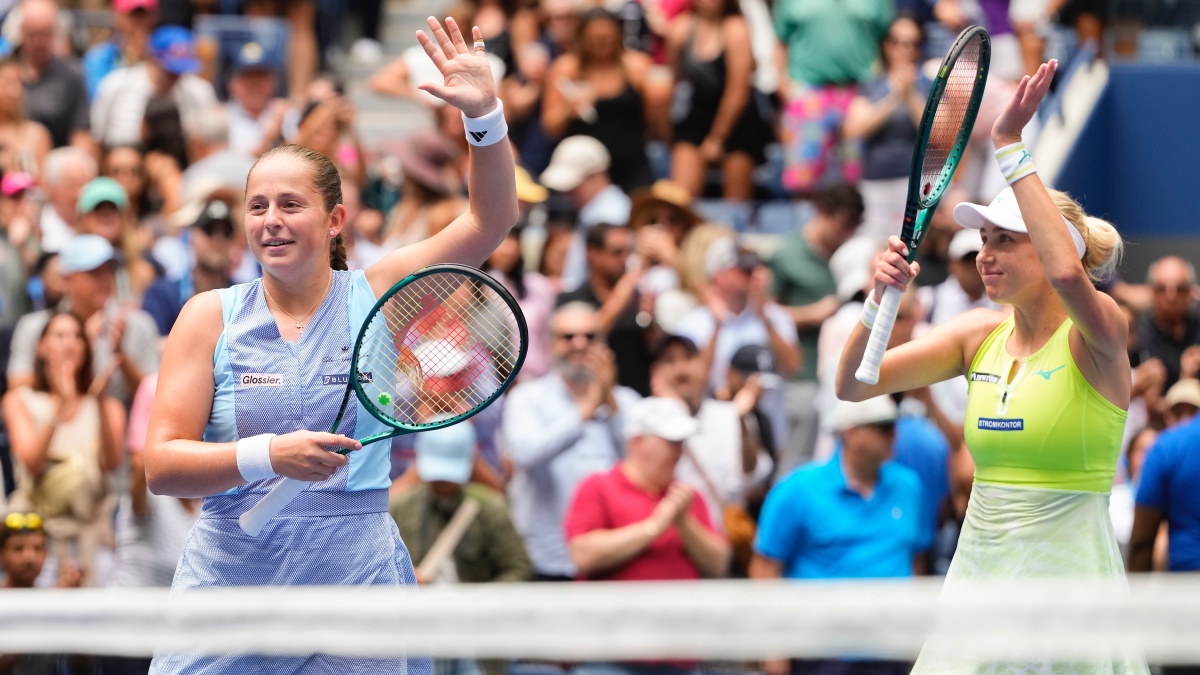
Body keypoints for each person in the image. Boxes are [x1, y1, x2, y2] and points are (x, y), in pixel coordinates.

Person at [143, 17, 516, 673]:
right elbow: (162, 464)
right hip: (231, 578)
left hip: (358, 580)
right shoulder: (207, 316)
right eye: (258, 206)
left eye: (291, 204)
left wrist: (484, 116)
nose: (271, 221)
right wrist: (268, 455)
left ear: (335, 218)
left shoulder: (379, 292)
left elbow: (489, 220)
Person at [835, 60, 1148, 673]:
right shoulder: (977, 335)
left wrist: (1008, 144)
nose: (987, 255)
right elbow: (853, 384)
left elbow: (1065, 275)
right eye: (985, 241)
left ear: (1060, 247)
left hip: (1072, 594)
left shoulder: (1103, 333)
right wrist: (879, 298)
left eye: (1007, 239)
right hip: (977, 588)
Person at [751, 396, 920, 675]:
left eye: (893, 426)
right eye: (882, 427)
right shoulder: (797, 489)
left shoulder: (909, 487)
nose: (893, 435)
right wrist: (773, 642)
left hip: (891, 648)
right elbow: (765, 567)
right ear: (852, 432)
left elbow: (915, 558)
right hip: (822, 650)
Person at [500, 302, 640, 580]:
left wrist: (608, 400)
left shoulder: (627, 401)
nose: (580, 344)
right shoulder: (527, 398)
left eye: (590, 337)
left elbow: (638, 464)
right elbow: (526, 454)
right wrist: (585, 412)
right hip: (545, 558)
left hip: (611, 557)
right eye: (568, 337)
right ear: (550, 344)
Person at [2, 311, 125, 587]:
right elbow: (31, 462)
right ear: (41, 346)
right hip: (36, 544)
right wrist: (61, 405)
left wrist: (100, 403)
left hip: (93, 539)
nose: (69, 343)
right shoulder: (19, 400)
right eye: (59, 335)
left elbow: (111, 463)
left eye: (77, 337)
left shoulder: (108, 406)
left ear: (86, 347)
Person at [565, 396, 730, 581]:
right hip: (615, 610)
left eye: (682, 443)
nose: (679, 452)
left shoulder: (687, 495)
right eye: (672, 442)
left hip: (681, 609)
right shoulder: (596, 486)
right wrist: (653, 527)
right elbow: (582, 556)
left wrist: (684, 524)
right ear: (637, 442)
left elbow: (719, 564)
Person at [841, 15, 930, 243]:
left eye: (911, 43)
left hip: (915, 184)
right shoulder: (871, 86)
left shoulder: (929, 86)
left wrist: (909, 95)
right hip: (875, 182)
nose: (902, 49)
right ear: (886, 45)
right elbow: (853, 130)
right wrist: (894, 98)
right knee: (873, 245)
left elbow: (936, 136)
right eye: (896, 41)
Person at [665, 0, 766, 200]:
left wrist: (718, 137)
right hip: (696, 115)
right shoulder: (680, 29)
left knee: (736, 203)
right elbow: (676, 79)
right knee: (681, 197)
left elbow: (738, 90)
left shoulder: (736, 28)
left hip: (738, 119)